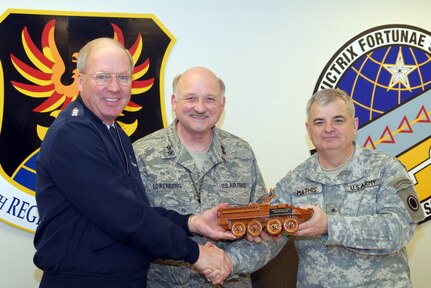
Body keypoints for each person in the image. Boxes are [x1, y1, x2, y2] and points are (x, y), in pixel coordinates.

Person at [33, 38, 236, 288]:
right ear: (80, 80)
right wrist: (196, 254)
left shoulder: (115, 133)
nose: (114, 87)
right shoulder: (73, 134)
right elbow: (125, 217)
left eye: (123, 77)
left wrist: (191, 222)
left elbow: (136, 208)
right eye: (102, 77)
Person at [133, 67, 286, 287]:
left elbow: (268, 226)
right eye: (191, 98)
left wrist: (231, 262)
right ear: (174, 102)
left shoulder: (241, 153)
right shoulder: (142, 154)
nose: (200, 107)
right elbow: (135, 226)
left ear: (222, 105)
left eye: (210, 99)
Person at [273, 88, 424, 287]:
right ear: (309, 130)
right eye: (319, 122)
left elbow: (400, 229)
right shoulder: (293, 182)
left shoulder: (385, 168)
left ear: (354, 125)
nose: (328, 128)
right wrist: (228, 262)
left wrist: (330, 225)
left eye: (338, 120)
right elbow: (268, 234)